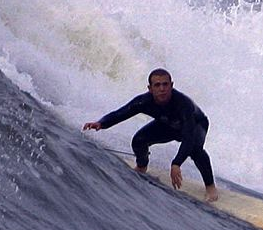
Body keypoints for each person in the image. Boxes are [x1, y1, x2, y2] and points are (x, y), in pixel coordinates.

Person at [83, 68, 219, 202]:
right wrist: (101, 123)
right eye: (157, 85)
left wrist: (176, 163)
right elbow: (121, 113)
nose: (162, 89)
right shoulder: (144, 101)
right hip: (168, 124)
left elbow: (188, 137)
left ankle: (210, 186)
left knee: (195, 149)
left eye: (165, 84)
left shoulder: (183, 103)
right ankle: (142, 166)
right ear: (150, 88)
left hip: (196, 125)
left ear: (171, 86)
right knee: (139, 140)